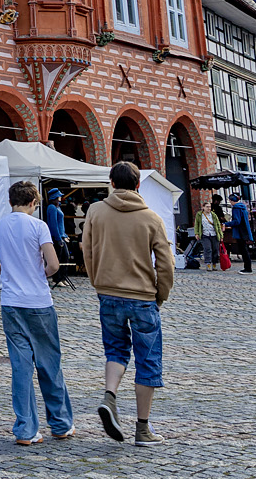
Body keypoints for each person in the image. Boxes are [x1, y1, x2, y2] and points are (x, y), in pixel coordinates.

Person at [81, 161, 174, 447]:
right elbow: (167, 263)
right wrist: (160, 294)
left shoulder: (95, 211)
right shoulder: (151, 218)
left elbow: (87, 249)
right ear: (138, 185)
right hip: (143, 297)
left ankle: (110, 396)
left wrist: (98, 280)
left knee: (116, 350)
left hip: (108, 293)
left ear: (111, 182)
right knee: (147, 360)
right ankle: (143, 429)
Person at [0, 180, 74, 445]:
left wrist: (13, 272)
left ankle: (25, 429)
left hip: (11, 303)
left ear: (11, 201)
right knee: (49, 364)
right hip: (38, 302)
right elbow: (53, 264)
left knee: (20, 367)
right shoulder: (39, 226)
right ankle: (60, 424)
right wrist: (37, 274)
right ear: (34, 203)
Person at [197, 196, 224, 271]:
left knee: (215, 249)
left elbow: (218, 225)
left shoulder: (214, 215)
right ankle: (208, 263)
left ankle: (214, 263)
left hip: (214, 234)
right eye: (207, 207)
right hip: (205, 234)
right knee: (207, 249)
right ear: (203, 207)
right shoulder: (199, 215)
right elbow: (197, 224)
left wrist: (221, 235)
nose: (209, 208)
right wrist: (197, 233)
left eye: (209, 207)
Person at [230, 193, 254, 273]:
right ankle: (248, 267)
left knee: (243, 250)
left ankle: (247, 268)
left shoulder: (236, 208)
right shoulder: (243, 207)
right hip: (245, 230)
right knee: (245, 250)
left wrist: (226, 224)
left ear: (232, 200)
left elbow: (237, 221)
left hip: (240, 231)